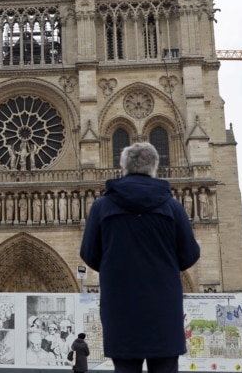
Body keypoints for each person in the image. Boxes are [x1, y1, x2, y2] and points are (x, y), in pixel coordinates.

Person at [80, 142, 200, 373]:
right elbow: (190, 255)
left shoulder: (101, 207)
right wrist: (165, 265)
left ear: (122, 168)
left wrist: (113, 266)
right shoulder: (173, 207)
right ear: (155, 169)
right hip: (164, 307)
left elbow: (89, 254)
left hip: (120, 306)